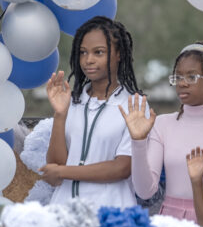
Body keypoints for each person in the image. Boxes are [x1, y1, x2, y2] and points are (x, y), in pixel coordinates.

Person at [120, 41, 203, 222]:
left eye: (191, 77)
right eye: (178, 77)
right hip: (171, 225)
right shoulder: (162, 124)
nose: (182, 83)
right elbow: (145, 191)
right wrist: (138, 141)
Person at [39, 16, 143, 208]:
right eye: (83, 52)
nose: (88, 60)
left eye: (99, 52)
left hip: (111, 214)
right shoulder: (71, 101)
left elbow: (122, 168)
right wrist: (60, 115)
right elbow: (55, 167)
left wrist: (64, 172)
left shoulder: (134, 106)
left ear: (119, 54)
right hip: (65, 212)